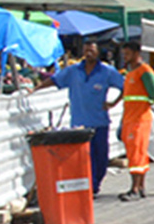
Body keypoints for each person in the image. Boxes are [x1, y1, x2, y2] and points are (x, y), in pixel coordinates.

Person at [50, 41, 125, 197]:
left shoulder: (107, 71)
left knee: (102, 158)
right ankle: (90, 187)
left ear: (98, 52)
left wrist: (114, 103)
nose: (88, 53)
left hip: (100, 122)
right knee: (85, 158)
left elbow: (125, 87)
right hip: (79, 123)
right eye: (86, 50)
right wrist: (35, 89)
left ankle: (96, 182)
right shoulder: (73, 71)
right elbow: (55, 80)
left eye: (92, 50)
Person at [118, 39, 154, 199]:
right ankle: (140, 187)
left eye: (127, 54)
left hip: (139, 119)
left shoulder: (144, 71)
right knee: (136, 153)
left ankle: (134, 189)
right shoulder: (130, 73)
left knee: (137, 153)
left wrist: (142, 108)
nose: (125, 57)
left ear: (136, 54)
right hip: (130, 119)